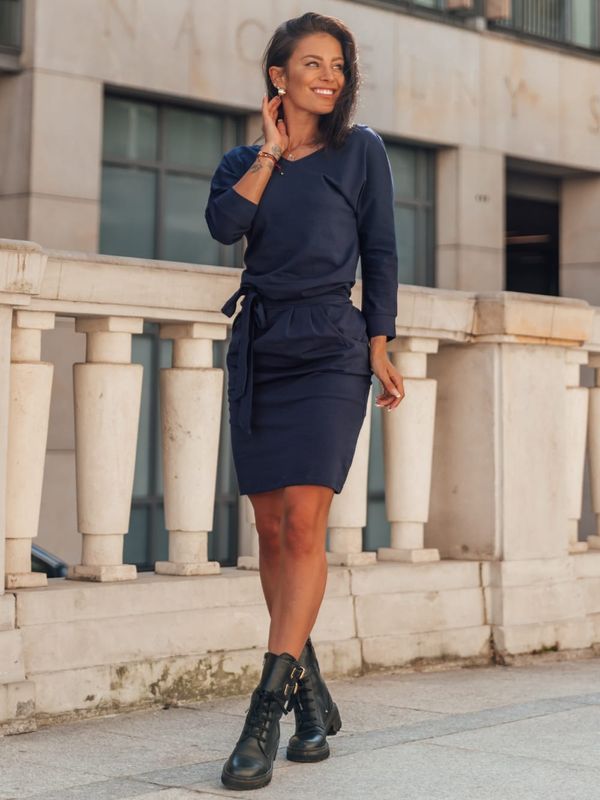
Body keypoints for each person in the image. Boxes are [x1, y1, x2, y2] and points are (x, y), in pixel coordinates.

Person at [204, 11, 405, 792]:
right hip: (260, 345)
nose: (330, 75)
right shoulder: (242, 161)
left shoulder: (364, 153)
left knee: (305, 520)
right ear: (278, 76)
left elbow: (382, 250)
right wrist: (269, 152)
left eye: (340, 64)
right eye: (313, 63)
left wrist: (379, 344)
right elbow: (226, 227)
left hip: (329, 347)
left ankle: (263, 712)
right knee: (268, 528)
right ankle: (311, 695)